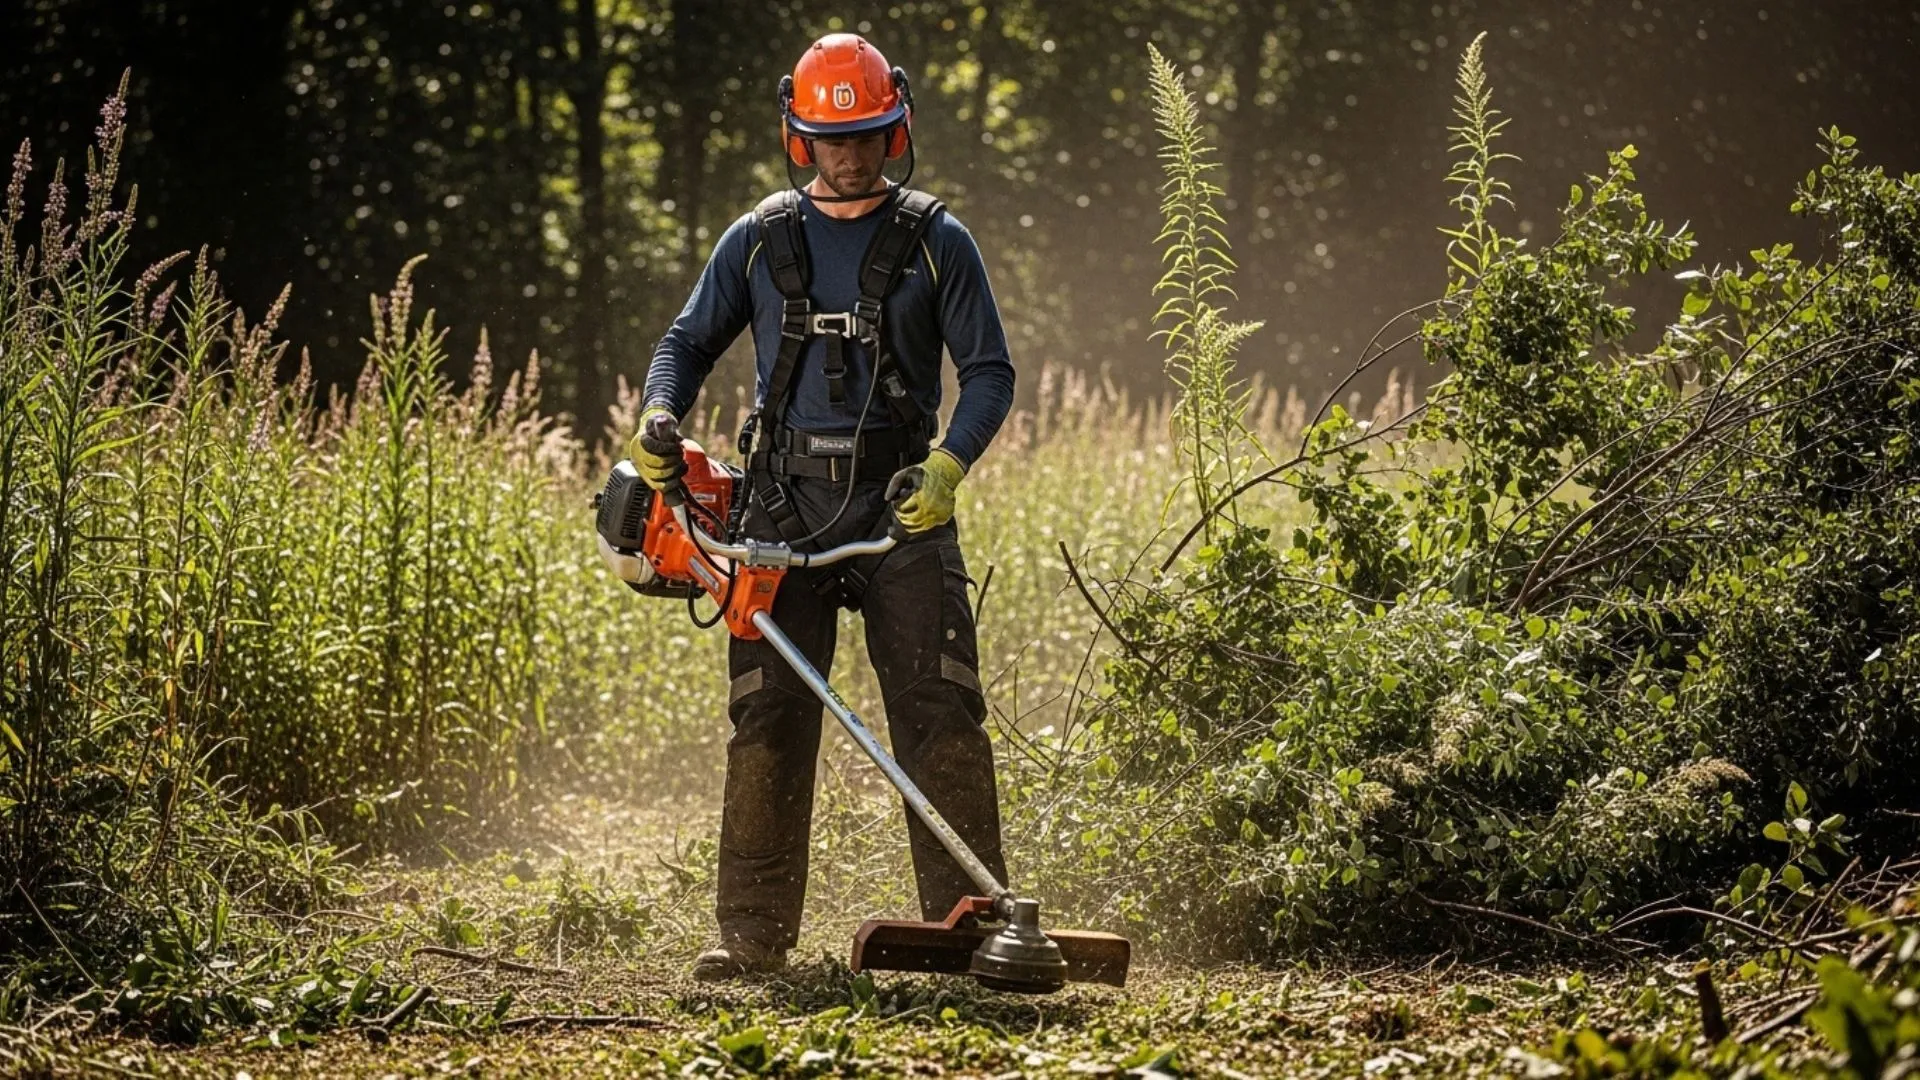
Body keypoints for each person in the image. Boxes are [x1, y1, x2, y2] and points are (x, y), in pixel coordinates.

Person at [628, 32, 1016, 981]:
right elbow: (684, 343)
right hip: (780, 511)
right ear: (800, 139)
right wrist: (660, 412)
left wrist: (950, 466)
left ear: (898, 129)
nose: (848, 155)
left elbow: (991, 375)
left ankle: (971, 930)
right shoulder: (758, 238)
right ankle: (752, 937)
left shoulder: (938, 240)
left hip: (902, 512)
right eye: (829, 140)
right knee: (767, 715)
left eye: (868, 136)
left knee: (942, 707)